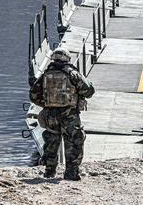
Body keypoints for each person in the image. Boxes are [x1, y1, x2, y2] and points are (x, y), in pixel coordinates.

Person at [29, 48, 95, 180]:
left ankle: (49, 172)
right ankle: (71, 173)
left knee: (51, 143)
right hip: (70, 115)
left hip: (50, 115)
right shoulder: (72, 74)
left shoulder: (45, 75)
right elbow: (89, 91)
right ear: (67, 58)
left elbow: (33, 95)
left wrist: (46, 104)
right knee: (74, 142)